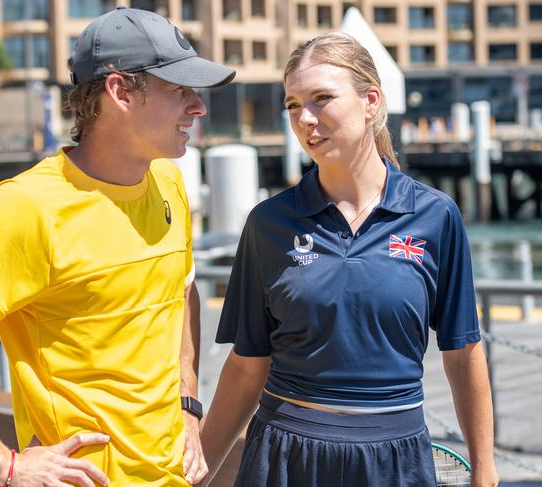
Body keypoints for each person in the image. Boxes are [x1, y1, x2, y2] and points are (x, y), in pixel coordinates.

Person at [0, 7, 234, 486]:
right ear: (119, 92)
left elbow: (182, 289)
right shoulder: (27, 207)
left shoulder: (168, 181)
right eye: (179, 90)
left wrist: (188, 405)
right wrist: (4, 465)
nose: (198, 107)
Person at [200, 33, 499, 487]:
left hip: (395, 459)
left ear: (371, 102)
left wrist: (486, 471)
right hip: (284, 456)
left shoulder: (436, 216)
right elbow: (245, 366)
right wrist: (196, 474)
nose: (305, 118)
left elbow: (463, 353)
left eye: (322, 99)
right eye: (293, 104)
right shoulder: (268, 223)